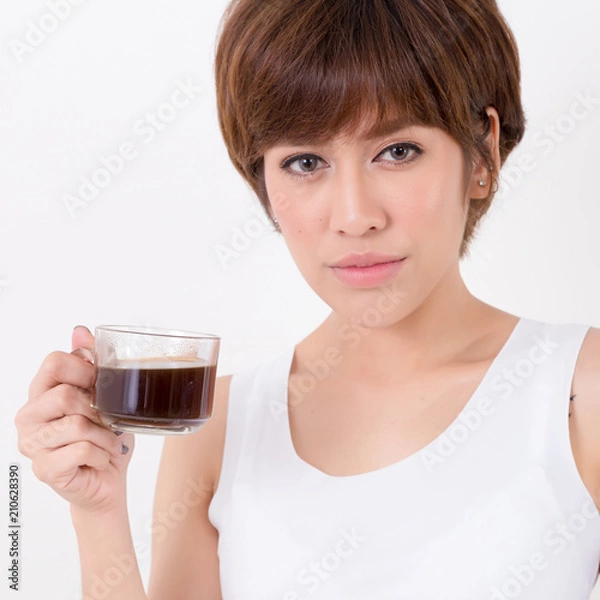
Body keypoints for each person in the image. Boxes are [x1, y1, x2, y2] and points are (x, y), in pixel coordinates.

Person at [14, 0, 600, 598]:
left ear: (483, 154)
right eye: (305, 161)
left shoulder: (578, 392)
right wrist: (97, 512)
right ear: (263, 183)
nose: (354, 216)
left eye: (396, 150)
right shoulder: (218, 425)